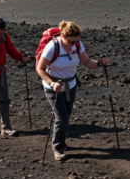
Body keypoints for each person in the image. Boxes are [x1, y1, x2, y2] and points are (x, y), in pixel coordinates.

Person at [35, 21, 109, 161]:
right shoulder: (53, 47)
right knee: (61, 116)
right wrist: (52, 83)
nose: (74, 44)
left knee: (66, 116)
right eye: (71, 41)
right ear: (63, 36)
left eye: (76, 41)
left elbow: (86, 62)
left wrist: (99, 63)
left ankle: (59, 141)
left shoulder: (77, 44)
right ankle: (58, 148)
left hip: (71, 84)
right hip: (54, 86)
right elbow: (40, 68)